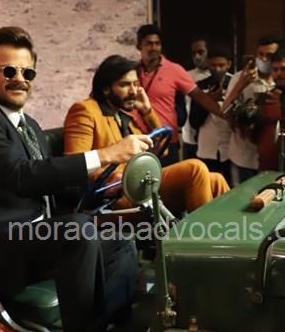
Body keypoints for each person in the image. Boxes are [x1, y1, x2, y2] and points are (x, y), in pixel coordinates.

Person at [0, 26, 150, 332]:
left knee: (119, 240)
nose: (20, 78)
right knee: (79, 230)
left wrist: (109, 187)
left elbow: (49, 183)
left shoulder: (28, 125)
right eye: (8, 70)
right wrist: (105, 154)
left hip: (36, 237)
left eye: (27, 72)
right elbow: (20, 176)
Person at [63, 55, 229, 215]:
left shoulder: (124, 115)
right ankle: (201, 235)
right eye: (125, 85)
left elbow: (162, 149)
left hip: (139, 186)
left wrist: (147, 111)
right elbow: (75, 166)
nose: (133, 91)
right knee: (194, 168)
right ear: (106, 89)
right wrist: (113, 178)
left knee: (216, 180)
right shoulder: (85, 110)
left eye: (135, 84)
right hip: (113, 199)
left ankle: (232, 232)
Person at [133, 25, 223, 166]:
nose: (154, 48)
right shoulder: (131, 72)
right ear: (139, 46)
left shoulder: (174, 70)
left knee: (169, 180)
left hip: (166, 142)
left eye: (157, 43)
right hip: (138, 141)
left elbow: (200, 96)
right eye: (149, 44)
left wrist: (226, 115)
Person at [221, 35, 281, 183]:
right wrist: (241, 85)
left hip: (273, 157)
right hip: (244, 157)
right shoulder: (240, 77)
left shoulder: (283, 78)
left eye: (269, 55)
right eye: (261, 54)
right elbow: (224, 111)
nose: (264, 59)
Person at [189, 44, 233, 178]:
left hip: (230, 151)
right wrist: (208, 101)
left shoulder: (236, 84)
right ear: (208, 64)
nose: (217, 69)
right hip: (206, 149)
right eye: (213, 65)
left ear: (229, 64)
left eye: (221, 65)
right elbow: (194, 122)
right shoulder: (200, 86)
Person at [181, 37, 211, 161]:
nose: (197, 56)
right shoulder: (185, 76)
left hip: (211, 139)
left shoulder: (220, 77)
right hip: (188, 137)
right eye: (194, 53)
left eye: (200, 52)